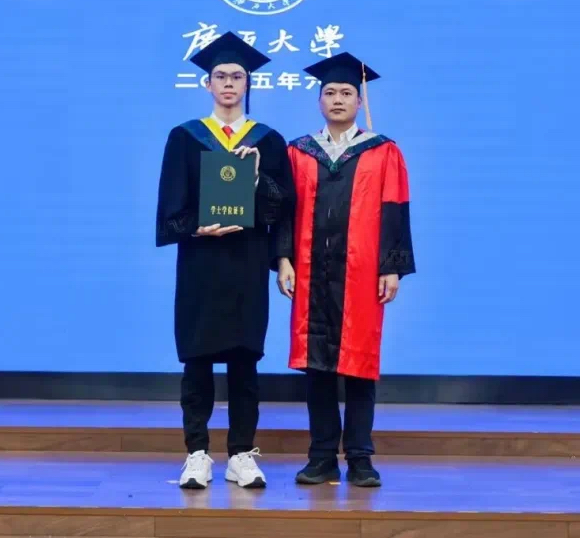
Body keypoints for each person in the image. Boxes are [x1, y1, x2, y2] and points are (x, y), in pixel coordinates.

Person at [155, 32, 295, 490]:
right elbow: (170, 209)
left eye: (237, 76)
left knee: (244, 361)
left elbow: (282, 207)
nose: (229, 83)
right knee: (197, 361)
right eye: (221, 76)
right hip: (201, 261)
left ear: (248, 83)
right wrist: (197, 227)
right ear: (208, 84)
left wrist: (256, 179)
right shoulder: (185, 137)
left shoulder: (268, 141)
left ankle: (240, 454)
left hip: (247, 261)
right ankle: (196, 453)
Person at [272, 52, 415, 488]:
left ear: (359, 101)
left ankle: (360, 458)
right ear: (319, 101)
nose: (337, 99)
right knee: (317, 367)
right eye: (330, 92)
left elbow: (395, 210)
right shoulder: (298, 152)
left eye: (346, 93)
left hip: (361, 273)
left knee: (360, 364)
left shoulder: (383, 150)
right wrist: (283, 259)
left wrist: (392, 267)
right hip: (311, 272)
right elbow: (284, 212)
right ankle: (320, 457)